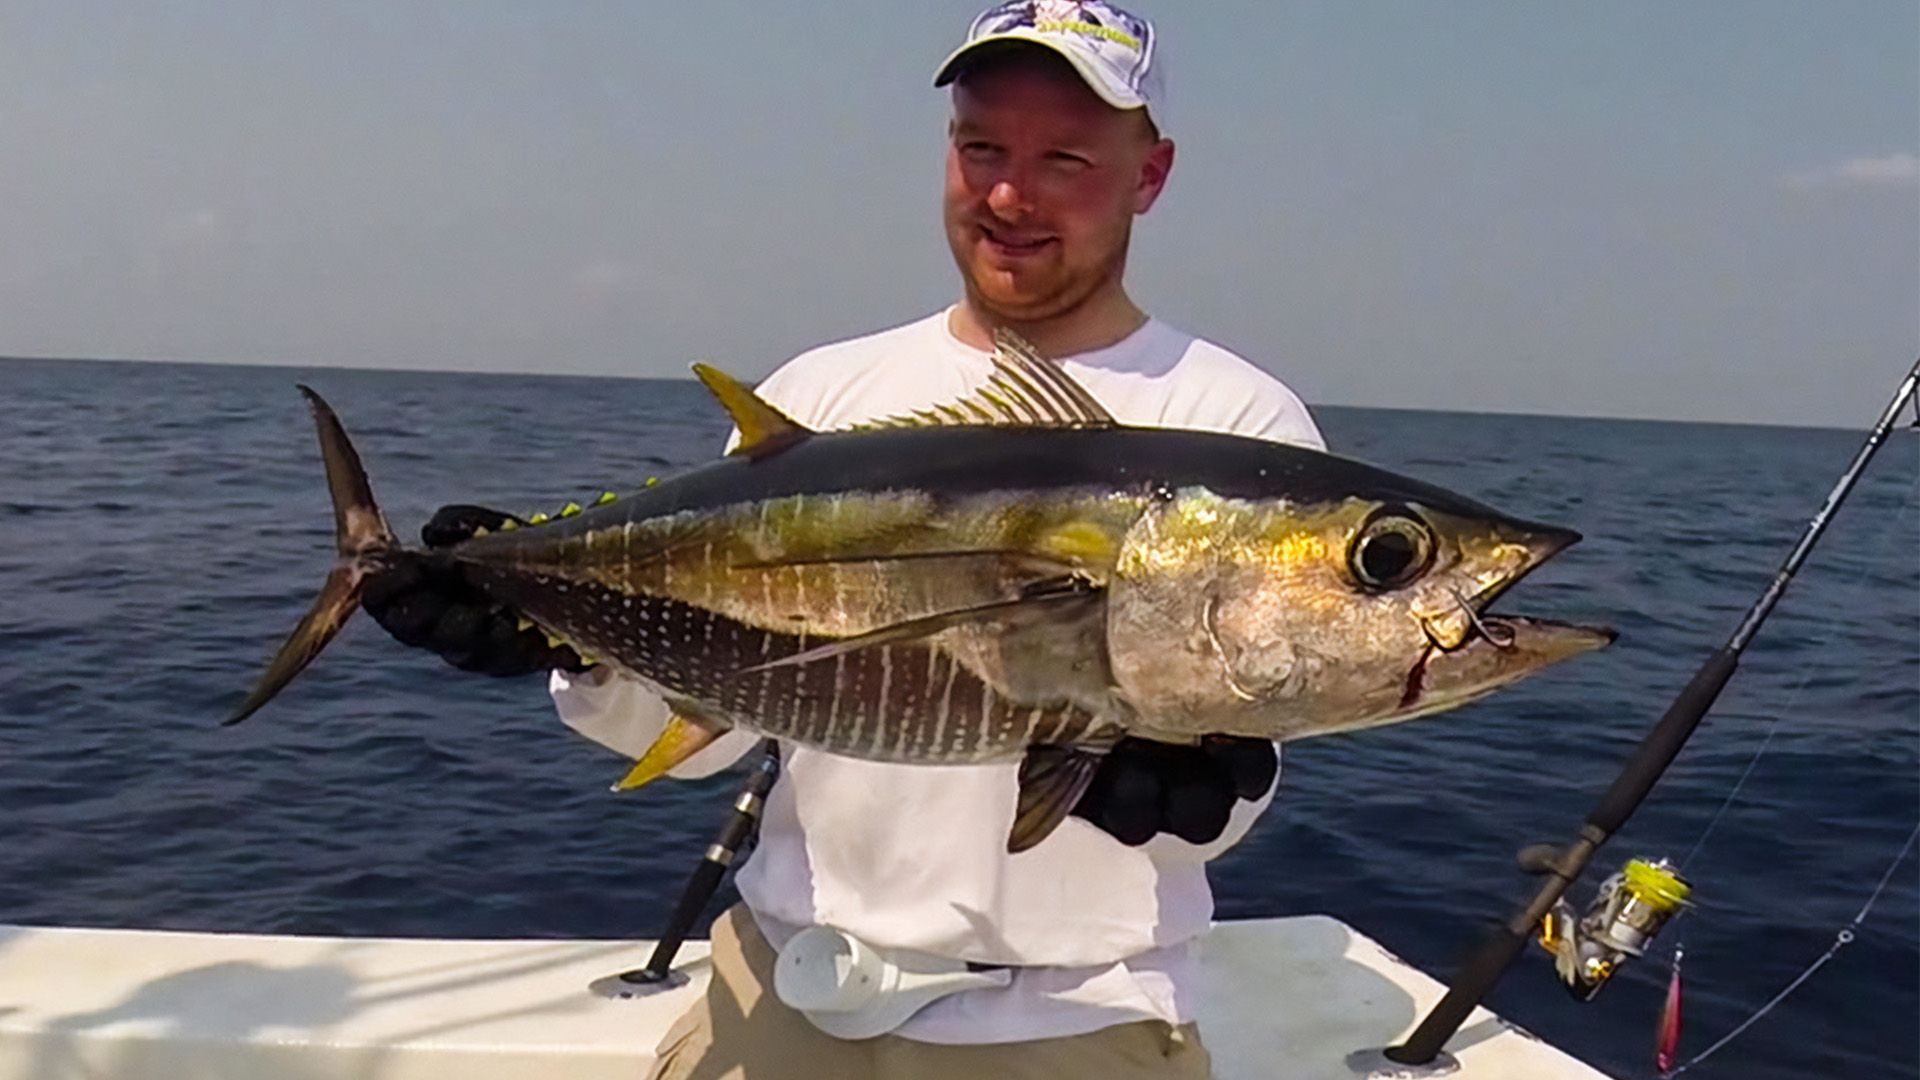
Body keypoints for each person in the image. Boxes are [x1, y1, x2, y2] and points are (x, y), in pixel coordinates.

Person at [364, 3, 1324, 1077]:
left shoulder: (1235, 426)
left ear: (1149, 176)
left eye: (1065, 159)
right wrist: (566, 644)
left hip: (1072, 1025)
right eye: (982, 149)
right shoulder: (822, 397)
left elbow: (1243, 763)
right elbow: (708, 730)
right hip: (784, 991)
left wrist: (1206, 794)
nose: (1010, 196)